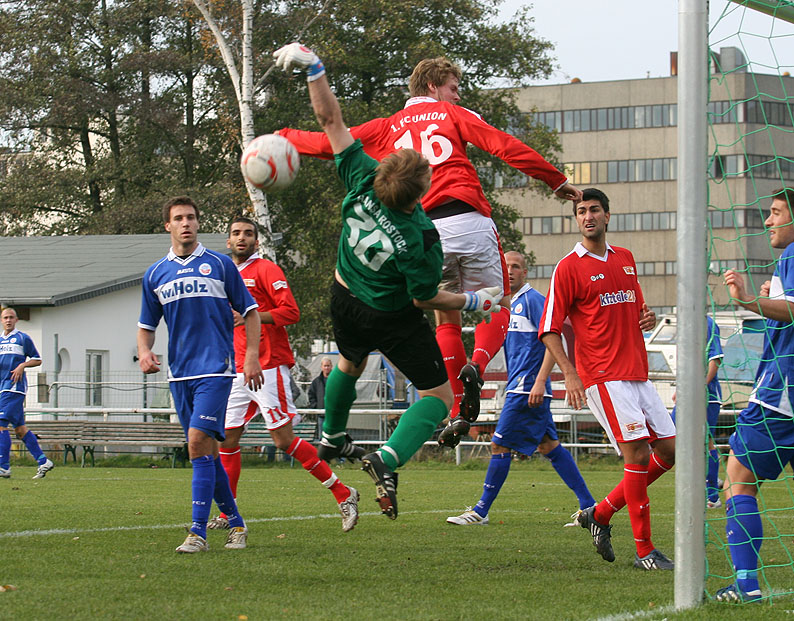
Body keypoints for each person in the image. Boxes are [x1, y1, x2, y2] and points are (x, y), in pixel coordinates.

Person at [278, 57, 582, 447]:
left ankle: (454, 409)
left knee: (445, 318)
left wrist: (282, 137)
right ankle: (478, 365)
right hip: (469, 219)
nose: (458, 96)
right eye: (454, 88)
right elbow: (504, 145)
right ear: (434, 86)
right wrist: (554, 180)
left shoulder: (386, 126)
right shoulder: (452, 114)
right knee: (499, 303)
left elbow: (329, 140)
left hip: (424, 232)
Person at [272, 42, 502, 519]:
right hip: (391, 315)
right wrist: (475, 302)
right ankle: (387, 457)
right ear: (421, 191)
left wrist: (315, 68)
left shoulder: (361, 177)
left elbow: (330, 120)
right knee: (438, 398)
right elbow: (427, 298)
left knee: (349, 363)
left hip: (343, 296)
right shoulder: (421, 235)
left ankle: (332, 435)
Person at [539, 187, 676, 571]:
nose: (588, 216)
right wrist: (570, 374)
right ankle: (645, 552)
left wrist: (646, 317)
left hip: (637, 372)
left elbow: (638, 309)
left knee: (670, 451)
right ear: (577, 219)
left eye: (594, 209)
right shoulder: (568, 267)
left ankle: (599, 514)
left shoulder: (625, 258)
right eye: (581, 211)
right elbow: (549, 329)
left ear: (607, 215)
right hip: (603, 376)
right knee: (638, 455)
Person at [209, 216, 358, 533]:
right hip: (236, 368)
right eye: (236, 233)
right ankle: (227, 513)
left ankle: (343, 493)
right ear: (228, 240)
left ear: (256, 241)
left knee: (283, 440)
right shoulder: (224, 273)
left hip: (268, 364)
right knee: (227, 439)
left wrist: (251, 316)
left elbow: (291, 312)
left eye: (248, 233)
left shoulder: (266, 269)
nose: (242, 238)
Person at [137, 196, 263, 553]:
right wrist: (144, 352)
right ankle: (236, 524)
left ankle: (197, 533)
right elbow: (146, 326)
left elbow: (251, 313)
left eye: (191, 217)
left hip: (216, 370)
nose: (186, 223)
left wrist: (251, 357)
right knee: (205, 451)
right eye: (179, 218)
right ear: (168, 225)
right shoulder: (155, 274)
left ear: (198, 223)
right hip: (180, 375)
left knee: (196, 443)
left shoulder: (220, 265)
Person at [447, 251, 596, 525]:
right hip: (521, 387)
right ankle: (589, 506)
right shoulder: (505, 306)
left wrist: (539, 380)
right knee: (549, 446)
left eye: (516, 266)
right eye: (506, 266)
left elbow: (553, 338)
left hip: (527, 389)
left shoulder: (533, 301)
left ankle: (480, 511)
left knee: (498, 445)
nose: (510, 271)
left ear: (525, 272)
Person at [716, 188, 794, 603]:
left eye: (775, 212)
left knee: (738, 482)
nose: (768, 221)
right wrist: (772, 298)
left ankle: (746, 586)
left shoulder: (792, 254)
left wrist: (749, 300)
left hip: (781, 394)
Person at [670, 315, 723, 508]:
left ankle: (713, 496)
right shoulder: (687, 322)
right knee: (671, 433)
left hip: (706, 397)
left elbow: (715, 360)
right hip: (689, 395)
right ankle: (711, 478)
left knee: (704, 442)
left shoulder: (706, 323)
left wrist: (700, 386)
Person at [0, 308, 53, 480]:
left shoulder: (22, 338)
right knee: (20, 429)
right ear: (1, 320)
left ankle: (3, 467)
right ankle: (43, 461)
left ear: (16, 320)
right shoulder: (0, 340)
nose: (8, 320)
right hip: (2, 389)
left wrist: (22, 365)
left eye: (11, 317)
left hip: (14, 388)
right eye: (5, 318)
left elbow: (37, 359)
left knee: (0, 424)